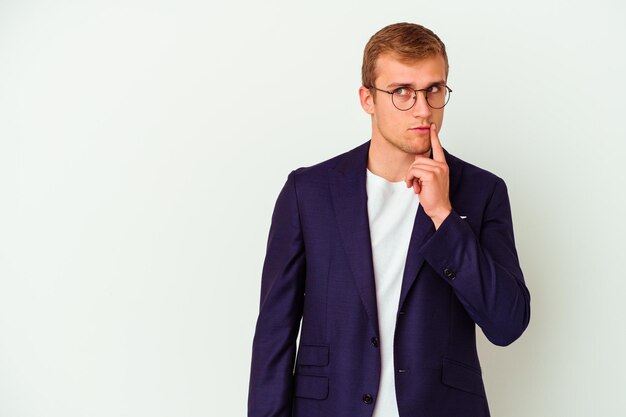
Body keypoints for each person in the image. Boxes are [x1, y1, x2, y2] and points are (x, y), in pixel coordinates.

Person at [248, 22, 531, 417]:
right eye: (402, 92)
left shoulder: (482, 192)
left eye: (434, 90)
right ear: (367, 99)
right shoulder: (308, 192)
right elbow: (274, 334)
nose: (422, 109)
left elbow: (508, 324)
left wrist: (444, 216)